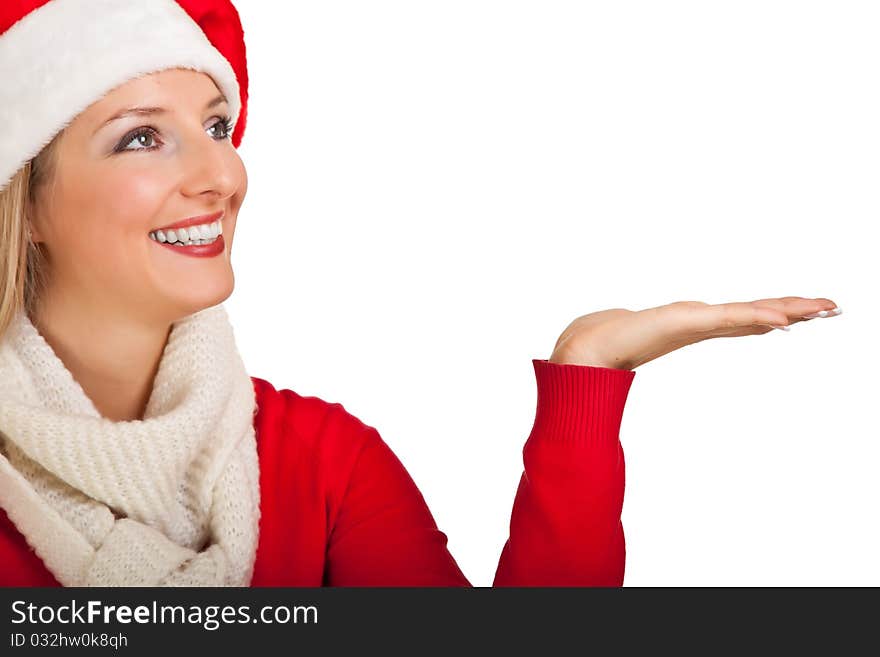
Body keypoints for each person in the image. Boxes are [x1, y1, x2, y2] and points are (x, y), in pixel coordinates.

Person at [0, 0, 840, 587]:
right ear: (24, 198)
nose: (221, 173)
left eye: (218, 126)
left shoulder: (322, 462)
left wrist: (585, 375)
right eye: (143, 137)